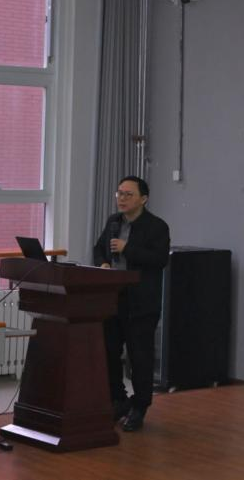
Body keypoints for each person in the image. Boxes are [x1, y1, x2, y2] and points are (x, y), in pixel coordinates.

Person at [93, 175, 170, 432]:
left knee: (140, 358)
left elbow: (159, 259)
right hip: (113, 299)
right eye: (119, 193)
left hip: (141, 304)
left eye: (128, 194)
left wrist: (127, 248)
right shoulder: (113, 222)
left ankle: (140, 406)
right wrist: (103, 263)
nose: (122, 199)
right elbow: (99, 248)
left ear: (143, 199)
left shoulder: (156, 226)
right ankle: (118, 399)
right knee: (109, 352)